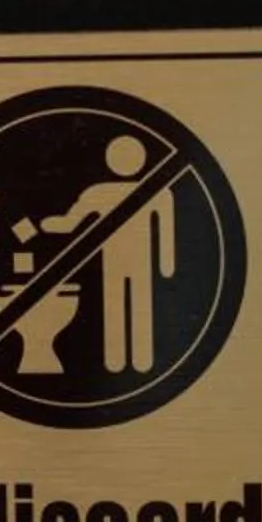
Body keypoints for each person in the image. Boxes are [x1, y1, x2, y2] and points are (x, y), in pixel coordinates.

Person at [37, 134, 171, 374]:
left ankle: (138, 360)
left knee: (135, 305)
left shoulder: (157, 193)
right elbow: (72, 221)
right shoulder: (101, 192)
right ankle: (122, 361)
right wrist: (53, 225)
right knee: (119, 307)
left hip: (138, 261)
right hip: (115, 261)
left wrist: (166, 264)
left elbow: (166, 230)